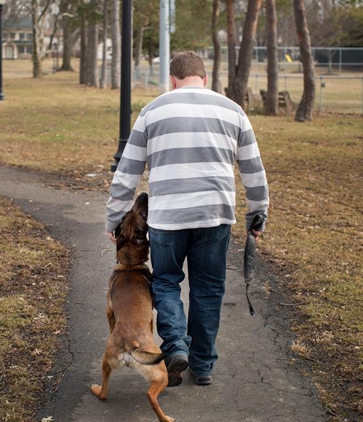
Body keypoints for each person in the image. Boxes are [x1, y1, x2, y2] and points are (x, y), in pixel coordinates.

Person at [105, 51, 269, 387]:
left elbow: (127, 172)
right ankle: (203, 365)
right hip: (215, 215)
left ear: (173, 79)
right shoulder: (232, 110)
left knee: (165, 282)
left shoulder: (154, 110)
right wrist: (258, 212)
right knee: (208, 288)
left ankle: (176, 344)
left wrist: (114, 219)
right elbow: (253, 168)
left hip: (167, 218)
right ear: (205, 79)